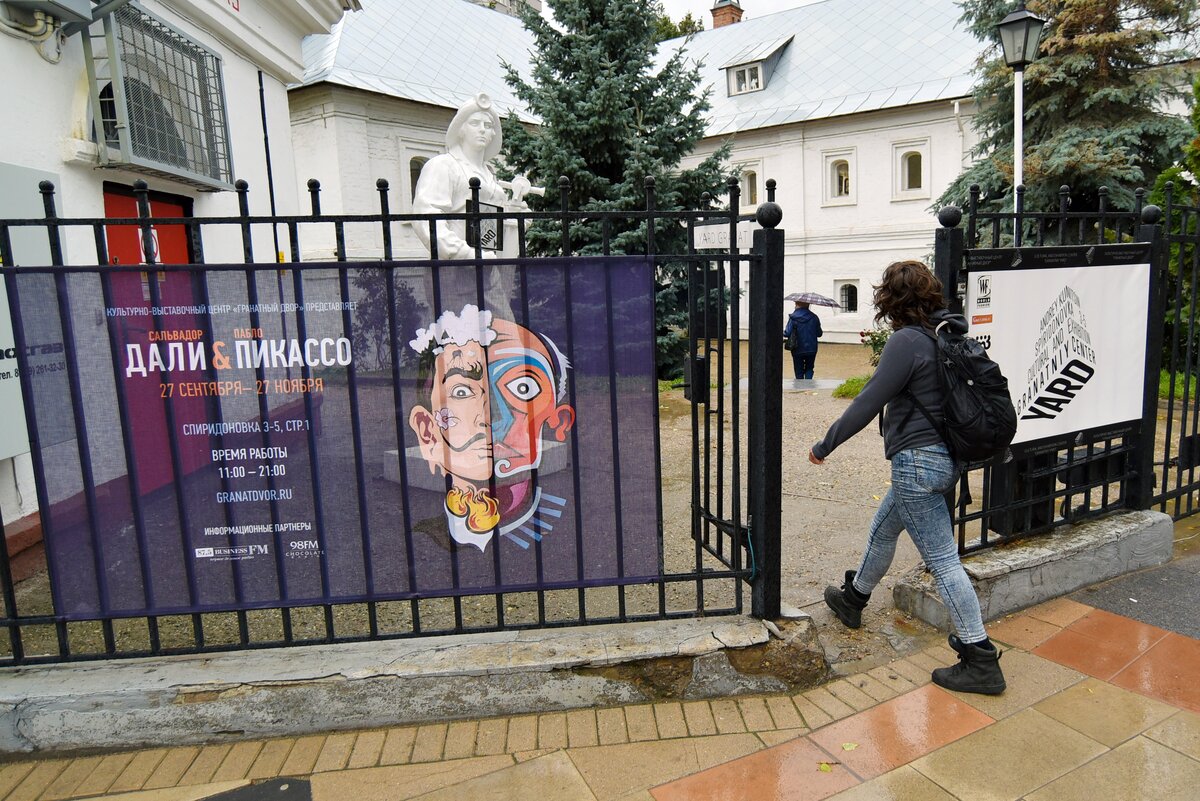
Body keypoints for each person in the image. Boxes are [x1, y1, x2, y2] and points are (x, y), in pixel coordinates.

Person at [808, 260, 1006, 695]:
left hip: (917, 465)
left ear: (890, 300)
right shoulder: (949, 334)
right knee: (883, 531)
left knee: (943, 562)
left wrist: (825, 444)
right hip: (944, 461)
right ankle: (854, 599)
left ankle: (980, 658)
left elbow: (867, 401)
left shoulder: (906, 341)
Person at [408, 304, 575, 551]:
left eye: (523, 388)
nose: (492, 418)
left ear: (558, 421)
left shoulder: (562, 534)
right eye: (462, 391)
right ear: (427, 429)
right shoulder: (422, 538)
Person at [784, 300, 822, 379]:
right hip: (812, 348)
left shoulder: (793, 317)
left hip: (797, 348)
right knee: (809, 368)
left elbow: (787, 333)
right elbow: (819, 334)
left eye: (795, 304)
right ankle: (808, 388)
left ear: (798, 305)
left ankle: (799, 389)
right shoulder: (814, 317)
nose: (794, 306)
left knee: (798, 370)